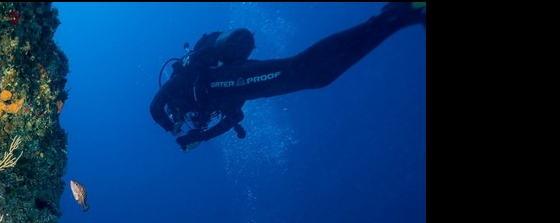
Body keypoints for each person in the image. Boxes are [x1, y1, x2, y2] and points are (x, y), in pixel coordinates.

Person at [149, 2, 426, 151]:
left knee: (304, 70)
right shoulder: (202, 102)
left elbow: (155, 105)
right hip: (235, 84)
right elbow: (234, 117)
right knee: (314, 76)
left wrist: (168, 126)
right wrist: (201, 137)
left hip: (229, 79)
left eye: (177, 118)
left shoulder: (183, 86)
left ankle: (394, 15)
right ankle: (402, 16)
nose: (180, 121)